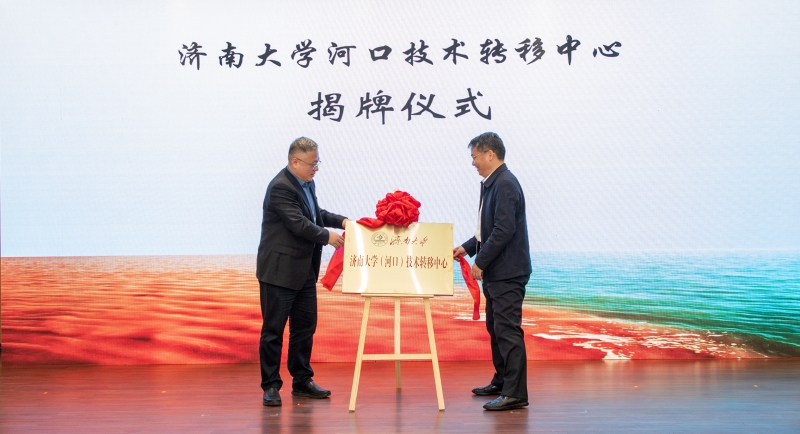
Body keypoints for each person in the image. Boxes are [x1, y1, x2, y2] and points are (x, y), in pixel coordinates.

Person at [256, 137, 348, 407]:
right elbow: (298, 223)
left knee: (305, 328)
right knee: (273, 331)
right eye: (312, 164)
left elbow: (315, 213)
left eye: (318, 163)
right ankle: (271, 385)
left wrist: (343, 221)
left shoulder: (307, 183)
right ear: (295, 162)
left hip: (304, 270)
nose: (316, 168)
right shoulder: (280, 187)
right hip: (279, 272)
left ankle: (302, 380)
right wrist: (328, 237)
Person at [453, 132, 532, 411]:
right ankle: (502, 381)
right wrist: (466, 249)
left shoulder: (505, 183)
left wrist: (481, 262)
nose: (473, 162)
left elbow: (503, 230)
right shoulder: (492, 183)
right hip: (498, 272)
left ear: (490, 154)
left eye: (474, 156)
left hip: (508, 271)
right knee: (496, 328)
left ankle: (515, 393)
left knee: (507, 330)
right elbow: (484, 231)